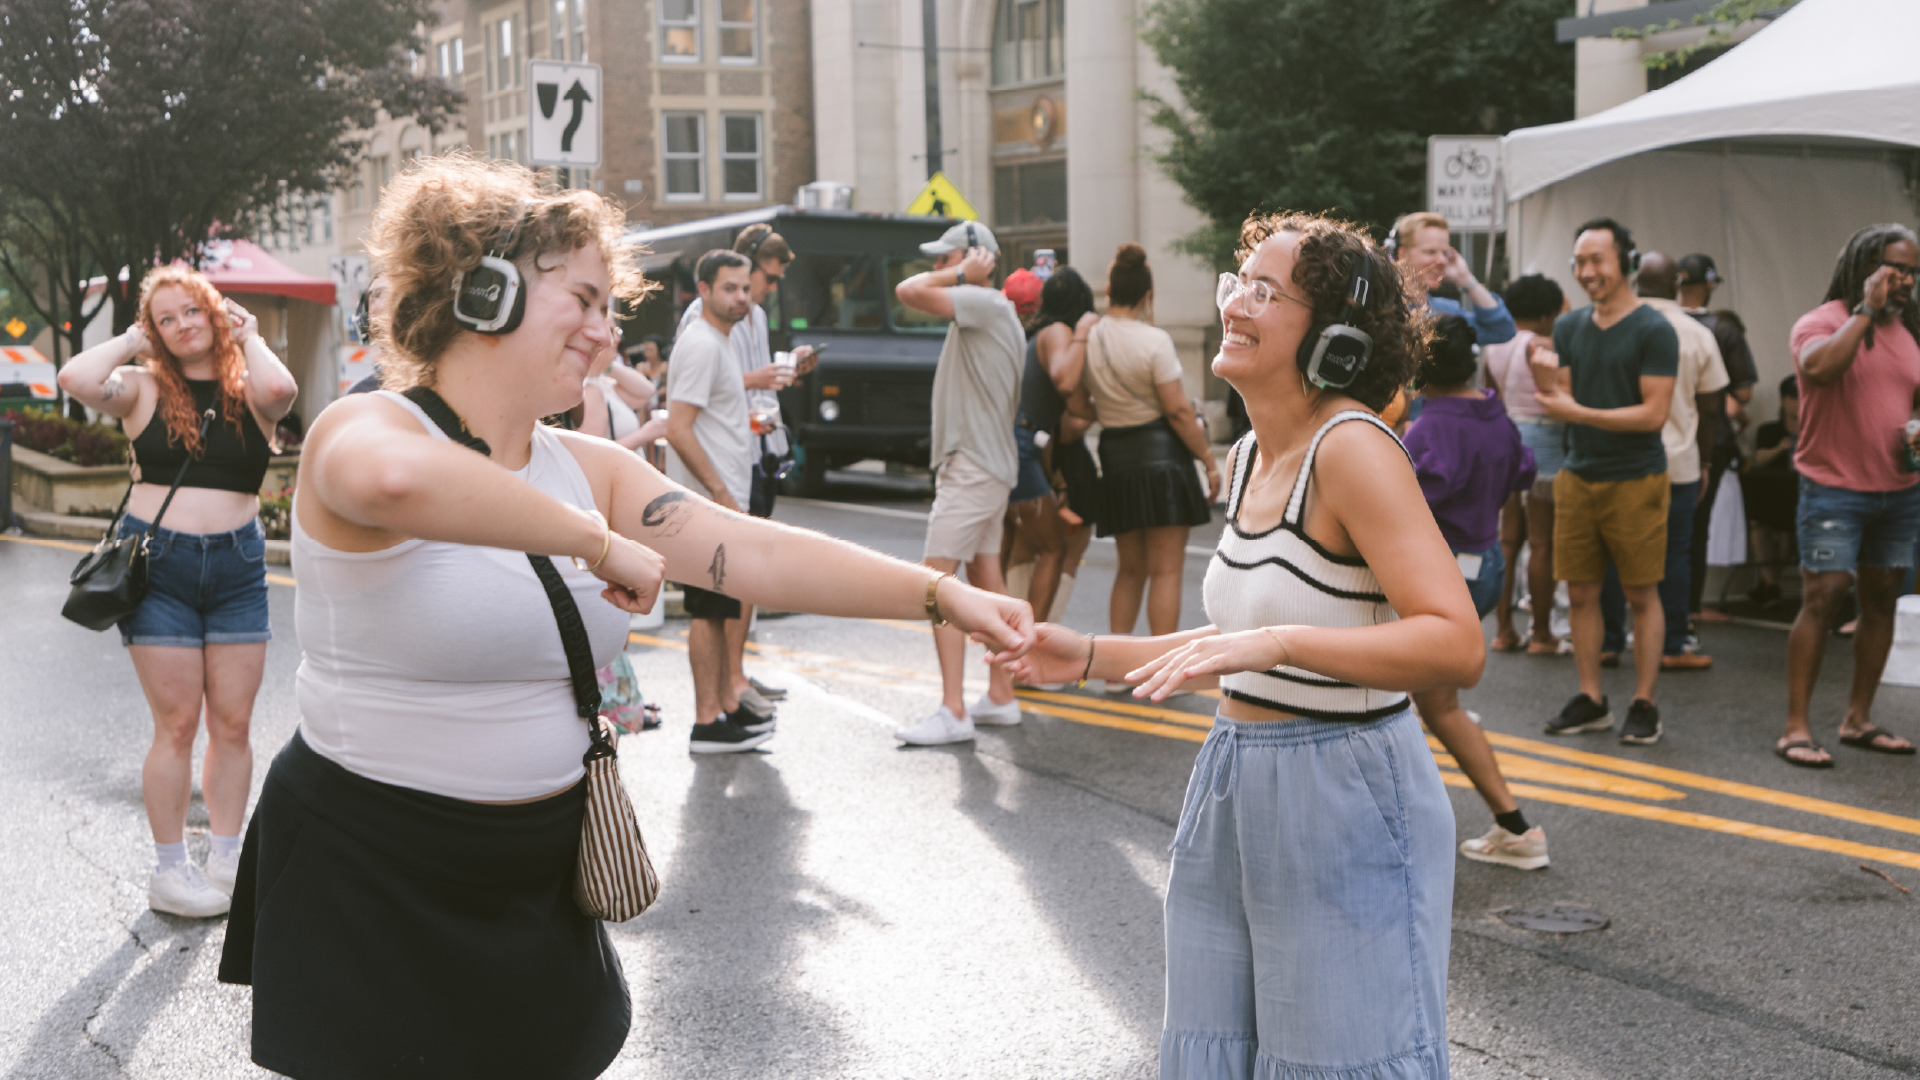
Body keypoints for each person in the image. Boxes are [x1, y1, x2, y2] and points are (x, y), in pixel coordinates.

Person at [215, 157, 1031, 1079]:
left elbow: (750, 551)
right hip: (373, 870)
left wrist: (939, 594)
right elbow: (400, 485)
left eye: (614, 308)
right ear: (484, 293)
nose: (607, 334)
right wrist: (595, 543)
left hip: (533, 875)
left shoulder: (586, 464)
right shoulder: (366, 430)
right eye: (587, 300)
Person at [1009, 212, 1483, 1079]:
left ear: (1336, 338)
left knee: (1337, 1056)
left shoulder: (1354, 450)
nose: (1236, 303)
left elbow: (1455, 644)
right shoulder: (1251, 456)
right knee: (1226, 1052)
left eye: (1266, 292)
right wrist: (1081, 654)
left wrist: (1278, 640)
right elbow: (1234, 645)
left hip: (1343, 789)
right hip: (1238, 776)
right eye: (1240, 283)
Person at [58, 266, 298, 918]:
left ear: (215, 311)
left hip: (239, 568)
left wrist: (246, 335)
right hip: (157, 567)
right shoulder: (138, 387)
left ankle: (226, 853)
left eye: (192, 311)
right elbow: (75, 380)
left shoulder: (249, 387)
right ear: (154, 330)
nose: (181, 325)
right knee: (178, 724)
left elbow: (282, 387)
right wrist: (134, 340)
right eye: (166, 319)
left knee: (234, 722)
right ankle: (170, 869)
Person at [1773, 223, 1920, 768]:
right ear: (1864, 266)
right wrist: (1865, 311)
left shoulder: (1910, 331)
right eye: (1896, 269)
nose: (1906, 281)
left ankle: (1857, 719)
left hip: (1899, 491)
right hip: (1833, 488)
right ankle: (1795, 728)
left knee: (1880, 601)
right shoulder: (1822, 322)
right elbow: (1820, 369)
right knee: (1825, 595)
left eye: (1913, 273)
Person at [1404, 315, 1546, 869]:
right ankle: (1512, 827)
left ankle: (1516, 828)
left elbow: (1401, 498)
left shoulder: (1431, 429)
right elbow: (1521, 472)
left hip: (1442, 578)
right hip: (1487, 567)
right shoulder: (1494, 414)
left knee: (1418, 702)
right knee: (1432, 704)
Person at [1533, 218, 1679, 746]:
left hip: (1636, 477)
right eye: (1579, 262)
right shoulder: (1569, 328)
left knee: (1642, 593)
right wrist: (1548, 381)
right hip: (1579, 475)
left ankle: (1645, 703)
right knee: (1580, 594)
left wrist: (1573, 407)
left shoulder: (1654, 329)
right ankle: (1591, 698)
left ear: (1626, 262)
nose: (1586, 272)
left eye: (1596, 260)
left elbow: (1653, 415)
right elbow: (1563, 404)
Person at [891, 221, 1028, 745]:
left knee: (936, 583)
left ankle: (953, 709)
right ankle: (1000, 694)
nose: (939, 269)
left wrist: (962, 276)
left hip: (973, 465)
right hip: (988, 464)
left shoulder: (983, 303)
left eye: (946, 259)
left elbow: (907, 292)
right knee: (986, 576)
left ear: (972, 260)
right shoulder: (991, 312)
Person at [675, 224, 819, 714]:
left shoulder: (744, 322)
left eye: (754, 287)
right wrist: (717, 491)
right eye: (765, 280)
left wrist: (781, 373)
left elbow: (730, 394)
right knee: (712, 604)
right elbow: (683, 415)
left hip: (755, 457)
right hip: (717, 491)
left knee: (736, 593)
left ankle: (729, 693)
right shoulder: (702, 329)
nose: (758, 293)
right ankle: (714, 712)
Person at [663, 249, 777, 752]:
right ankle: (706, 722)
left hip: (722, 504)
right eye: (728, 288)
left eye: (745, 289)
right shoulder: (704, 345)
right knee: (706, 615)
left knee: (716, 611)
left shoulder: (721, 343)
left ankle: (724, 709)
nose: (740, 298)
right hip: (710, 509)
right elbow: (678, 429)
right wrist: (720, 493)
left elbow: (708, 423)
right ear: (703, 291)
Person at [1596, 252, 1729, 671]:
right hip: (1679, 462)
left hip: (1619, 458)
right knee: (1674, 553)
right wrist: (1705, 461)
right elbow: (1712, 408)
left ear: (1634, 280)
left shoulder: (1613, 326)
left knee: (1615, 552)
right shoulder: (1697, 333)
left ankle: (1609, 641)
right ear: (1678, 284)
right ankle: (1673, 643)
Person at [1081, 243, 1220, 638]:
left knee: (1128, 569)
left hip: (1116, 457)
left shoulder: (1089, 338)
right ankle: (1159, 665)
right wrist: (1209, 461)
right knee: (1166, 569)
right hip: (1161, 461)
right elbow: (1177, 412)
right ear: (1146, 296)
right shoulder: (1154, 341)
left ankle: (1115, 669)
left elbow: (1081, 400)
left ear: (1108, 292)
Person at [1002, 266, 1095, 630]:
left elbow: (1067, 414)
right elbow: (1066, 381)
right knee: (1054, 548)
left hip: (1017, 443)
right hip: (1022, 444)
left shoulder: (1035, 335)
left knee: (1008, 547)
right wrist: (1085, 331)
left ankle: (1007, 638)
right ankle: (1025, 647)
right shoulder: (1058, 332)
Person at [1483, 274, 1570, 654]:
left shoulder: (1495, 346)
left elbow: (1493, 395)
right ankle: (1541, 632)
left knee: (1507, 540)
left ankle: (1503, 630)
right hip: (1543, 439)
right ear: (1549, 312)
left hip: (1506, 434)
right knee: (1541, 542)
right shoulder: (1542, 343)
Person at [1676, 253, 1760, 622]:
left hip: (1661, 435)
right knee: (1694, 530)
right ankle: (1690, 608)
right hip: (1708, 442)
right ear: (1709, 284)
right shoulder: (1723, 330)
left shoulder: (1659, 322)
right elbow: (1742, 394)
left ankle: (1652, 608)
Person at [1390, 211, 1517, 346]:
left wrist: (1465, 278)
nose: (1442, 260)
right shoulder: (1385, 309)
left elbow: (1502, 331)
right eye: (1430, 251)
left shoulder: (1446, 311)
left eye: (1445, 253)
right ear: (1403, 254)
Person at [1741, 375, 1802, 610]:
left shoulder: (1815, 430)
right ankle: (1771, 584)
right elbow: (1757, 459)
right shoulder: (1769, 430)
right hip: (1771, 497)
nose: (1799, 403)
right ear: (1783, 400)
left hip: (1799, 498)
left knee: (1789, 530)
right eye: (1793, 397)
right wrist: (1780, 448)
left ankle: (1769, 586)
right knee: (1759, 522)